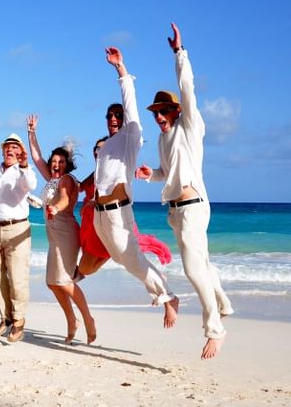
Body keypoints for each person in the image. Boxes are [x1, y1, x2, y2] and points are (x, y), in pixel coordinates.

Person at [136, 23, 234, 359]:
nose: (159, 116)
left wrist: (180, 53)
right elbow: (168, 174)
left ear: (177, 111)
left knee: (193, 269)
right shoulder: (164, 139)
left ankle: (215, 329)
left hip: (194, 206)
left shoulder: (191, 127)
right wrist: (151, 175)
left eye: (165, 111)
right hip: (177, 212)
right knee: (202, 263)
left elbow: (188, 88)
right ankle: (223, 303)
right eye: (156, 113)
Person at [96, 46, 180, 328]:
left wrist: (120, 69)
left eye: (117, 116)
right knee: (124, 260)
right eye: (110, 117)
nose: (114, 120)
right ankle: (162, 288)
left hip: (119, 211)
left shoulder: (132, 136)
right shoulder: (106, 145)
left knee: (132, 262)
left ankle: (168, 297)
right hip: (100, 214)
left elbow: (130, 106)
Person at [27, 116, 96, 344]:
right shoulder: (52, 179)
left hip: (66, 233)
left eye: (60, 161)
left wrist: (55, 208)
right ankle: (72, 321)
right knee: (52, 282)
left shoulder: (66, 179)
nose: (56, 164)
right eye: (54, 161)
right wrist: (31, 133)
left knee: (65, 281)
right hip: (55, 235)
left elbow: (66, 199)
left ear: (67, 165)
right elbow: (37, 159)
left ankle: (87, 319)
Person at [77, 135, 172, 278]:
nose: (99, 151)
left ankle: (156, 273)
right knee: (86, 268)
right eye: (97, 148)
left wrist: (93, 200)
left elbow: (116, 190)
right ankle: (111, 252)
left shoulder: (117, 170)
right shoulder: (95, 172)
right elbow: (80, 187)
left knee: (86, 268)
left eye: (104, 148)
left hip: (108, 219)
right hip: (93, 223)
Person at [0, 134, 37, 343]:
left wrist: (25, 164)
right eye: (7, 147)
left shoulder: (23, 172)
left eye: (15, 148)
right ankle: (5, 317)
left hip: (17, 228)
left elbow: (31, 184)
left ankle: (19, 321)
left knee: (17, 277)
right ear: (2, 150)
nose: (10, 151)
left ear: (20, 152)